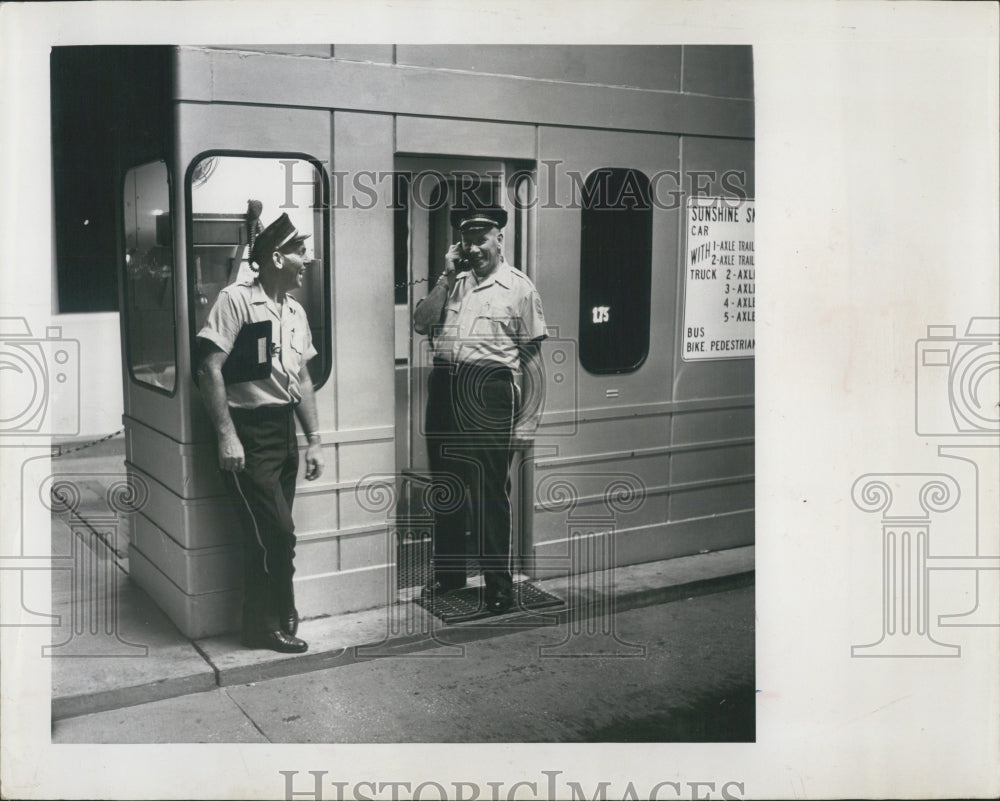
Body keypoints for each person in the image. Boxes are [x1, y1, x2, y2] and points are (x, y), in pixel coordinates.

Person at [196, 212, 324, 653]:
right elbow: (208, 368)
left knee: (270, 535)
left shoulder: (294, 310)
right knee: (276, 533)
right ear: (276, 256)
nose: (308, 259)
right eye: (300, 251)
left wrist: (314, 441)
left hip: (283, 429)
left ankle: (280, 610)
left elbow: (303, 379)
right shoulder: (236, 301)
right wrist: (226, 435)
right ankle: (263, 624)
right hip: (249, 433)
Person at [413, 202, 547, 613]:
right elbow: (422, 322)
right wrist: (446, 276)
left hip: (489, 390)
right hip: (445, 387)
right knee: (447, 486)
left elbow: (533, 361)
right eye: (467, 237)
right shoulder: (453, 282)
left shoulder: (519, 287)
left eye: (482, 236)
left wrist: (528, 422)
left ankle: (499, 587)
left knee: (490, 492)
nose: (474, 245)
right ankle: (450, 576)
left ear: (499, 238)